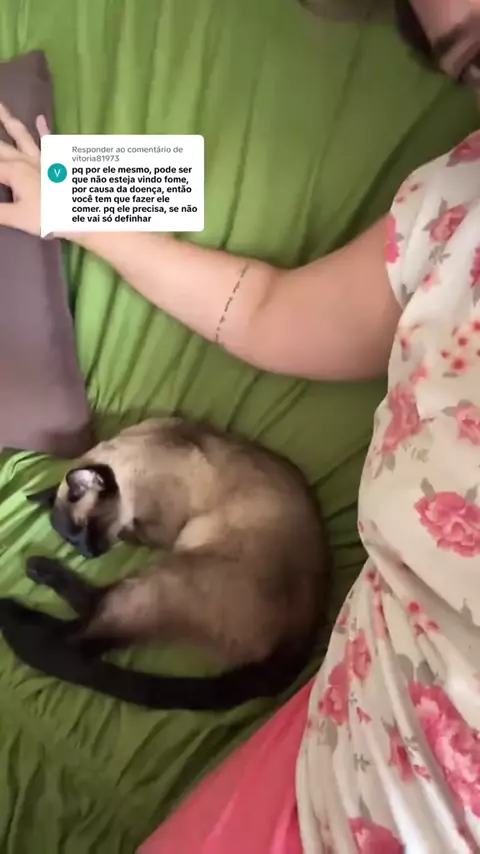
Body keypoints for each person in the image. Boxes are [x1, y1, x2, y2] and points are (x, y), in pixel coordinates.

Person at [1, 1, 480, 850]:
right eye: (475, 56)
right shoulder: (451, 208)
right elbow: (260, 307)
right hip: (329, 761)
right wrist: (66, 201)